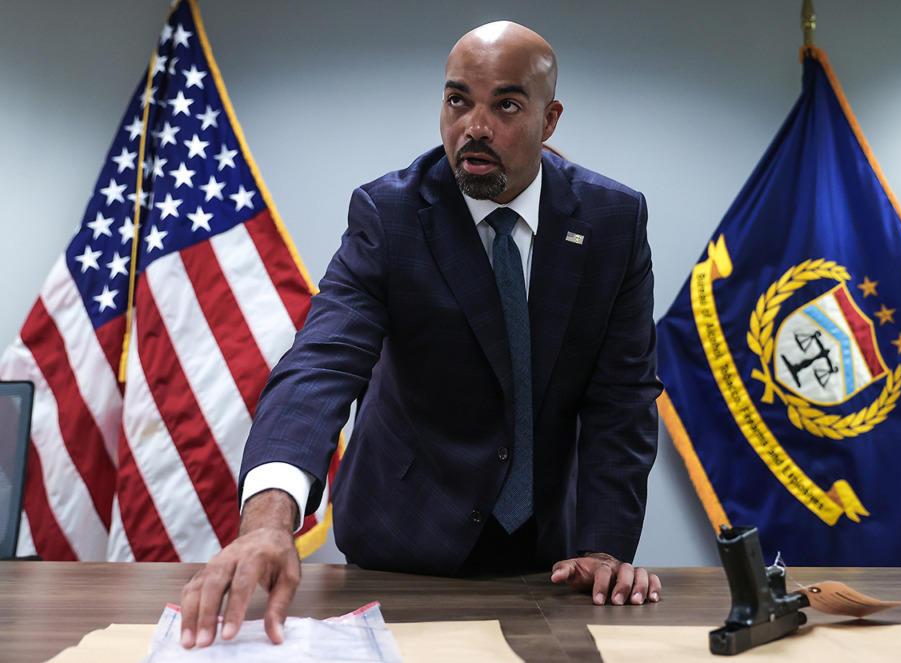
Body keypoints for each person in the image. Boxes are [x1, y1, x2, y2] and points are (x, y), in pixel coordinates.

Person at [180, 20, 662, 649]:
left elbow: (620, 399)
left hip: (551, 559)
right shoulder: (391, 214)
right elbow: (321, 364)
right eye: (458, 100)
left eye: (507, 105)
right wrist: (268, 524)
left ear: (550, 121)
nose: (475, 127)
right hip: (399, 543)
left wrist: (602, 548)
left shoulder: (613, 221)